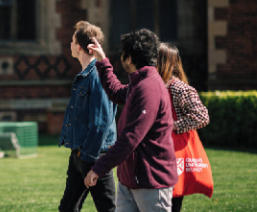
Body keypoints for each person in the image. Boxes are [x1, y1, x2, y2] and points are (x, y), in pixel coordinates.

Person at [85, 29, 178, 212]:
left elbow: (131, 138)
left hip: (151, 183)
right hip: (130, 182)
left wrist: (98, 168)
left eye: (123, 54)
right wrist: (102, 60)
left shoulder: (148, 87)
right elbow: (116, 91)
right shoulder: (139, 84)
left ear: (129, 58)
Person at [58, 21, 117, 212]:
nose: (70, 44)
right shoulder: (84, 75)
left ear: (80, 47)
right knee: (67, 208)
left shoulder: (98, 76)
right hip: (79, 152)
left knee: (107, 208)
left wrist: (89, 159)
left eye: (72, 40)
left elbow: (101, 122)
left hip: (94, 155)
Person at [156, 42, 210, 212]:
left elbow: (202, 116)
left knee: (171, 203)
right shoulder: (155, 85)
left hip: (173, 154)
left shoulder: (178, 88)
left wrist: (173, 125)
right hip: (158, 153)